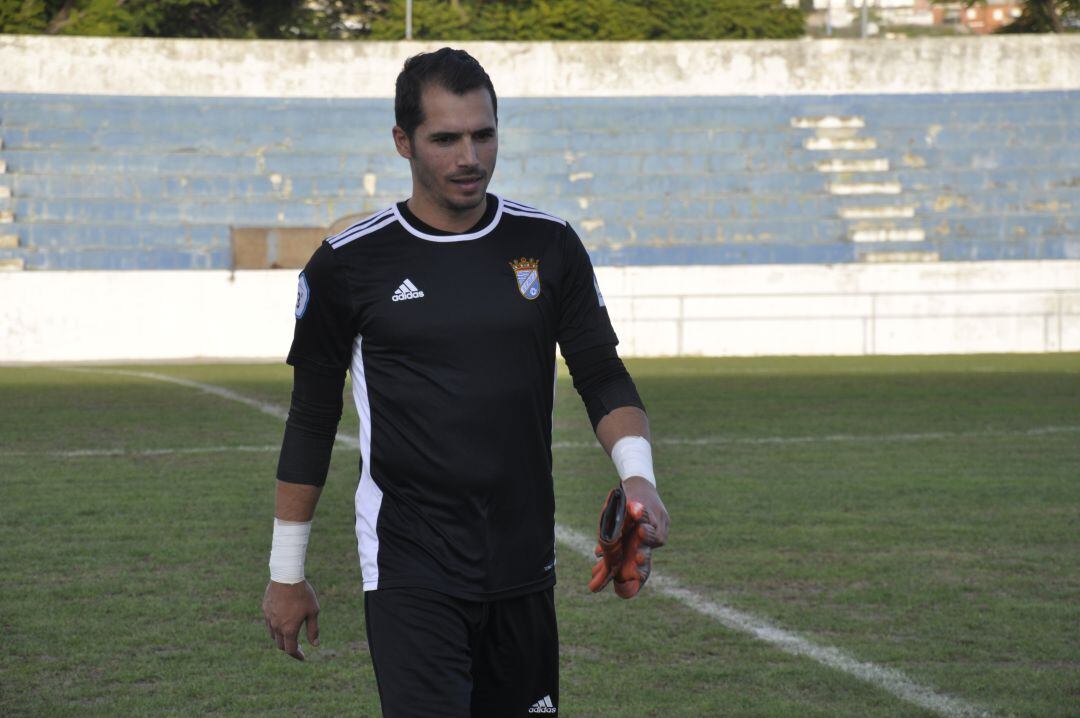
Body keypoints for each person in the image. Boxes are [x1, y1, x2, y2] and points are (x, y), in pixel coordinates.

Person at [261, 47, 669, 718]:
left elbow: (601, 373)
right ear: (403, 142)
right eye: (445, 138)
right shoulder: (349, 264)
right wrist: (286, 571)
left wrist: (638, 475)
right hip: (409, 569)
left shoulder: (550, 245)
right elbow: (310, 420)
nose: (469, 156)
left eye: (483, 134)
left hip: (523, 565)